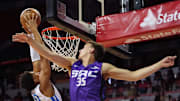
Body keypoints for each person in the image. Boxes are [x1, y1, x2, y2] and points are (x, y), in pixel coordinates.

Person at [12, 14, 177, 101]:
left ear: (91, 51)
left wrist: (159, 64)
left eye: (84, 47)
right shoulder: (72, 64)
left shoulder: (103, 69)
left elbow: (133, 76)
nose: (80, 49)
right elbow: (47, 55)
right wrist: (30, 39)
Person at [17, 13, 62, 101]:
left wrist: (30, 35)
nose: (37, 72)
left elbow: (36, 63)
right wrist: (34, 30)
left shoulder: (35, 90)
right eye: (34, 74)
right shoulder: (43, 86)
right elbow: (43, 54)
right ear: (35, 80)